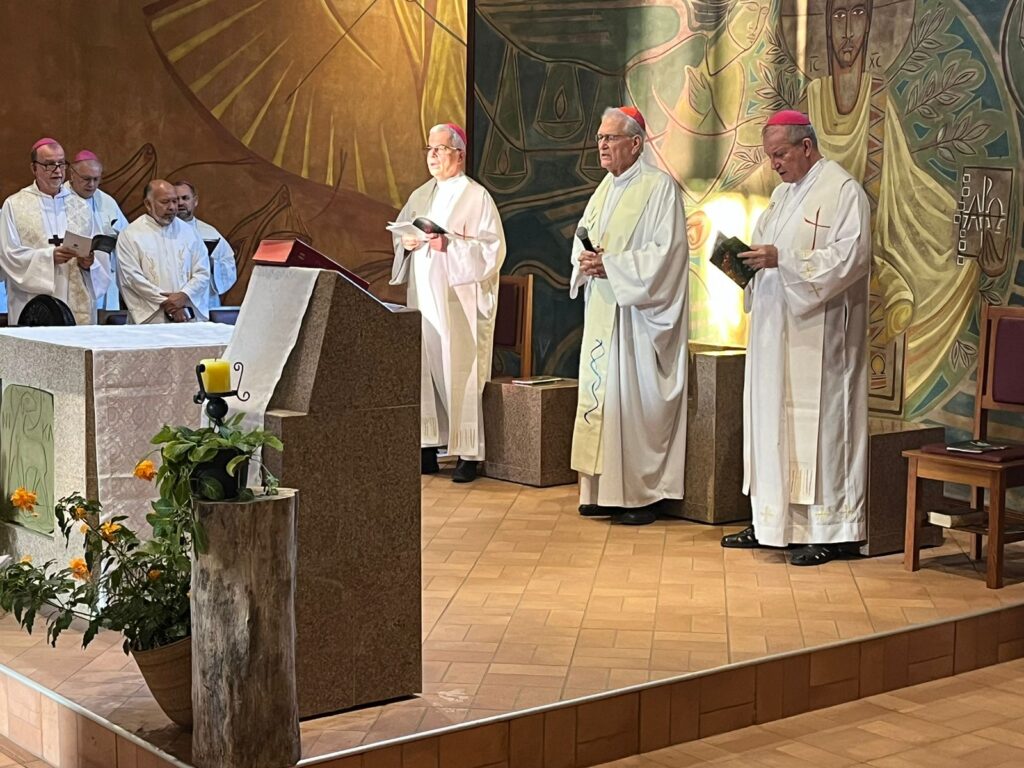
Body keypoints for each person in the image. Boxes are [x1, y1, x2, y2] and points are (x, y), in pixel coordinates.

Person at [720, 110, 871, 565]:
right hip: (773, 331)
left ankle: (830, 530)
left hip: (820, 338)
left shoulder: (843, 191)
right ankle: (772, 521)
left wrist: (782, 259)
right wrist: (744, 267)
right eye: (770, 157)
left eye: (780, 154)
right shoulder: (782, 196)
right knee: (771, 424)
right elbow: (767, 256)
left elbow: (851, 257)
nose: (775, 165)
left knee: (819, 429)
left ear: (807, 146)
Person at [569, 106, 689, 526]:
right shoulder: (604, 188)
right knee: (603, 397)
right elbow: (584, 236)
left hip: (638, 319)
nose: (602, 145)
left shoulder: (659, 189)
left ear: (635, 144)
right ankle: (602, 490)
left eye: (611, 138)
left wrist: (614, 267)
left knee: (633, 404)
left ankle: (639, 495)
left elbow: (667, 254)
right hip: (605, 309)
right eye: (600, 138)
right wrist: (584, 260)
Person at [390, 123, 506, 483]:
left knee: (459, 369)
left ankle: (468, 453)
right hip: (424, 295)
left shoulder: (477, 196)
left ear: (459, 154)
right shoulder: (421, 194)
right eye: (429, 149)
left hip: (459, 300)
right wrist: (406, 243)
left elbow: (492, 250)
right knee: (424, 366)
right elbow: (403, 232)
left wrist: (449, 245)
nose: (433, 156)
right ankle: (428, 445)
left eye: (440, 149)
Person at [0, 138, 110, 325]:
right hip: (32, 301)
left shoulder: (81, 206)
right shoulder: (14, 204)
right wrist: (49, 257)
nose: (58, 171)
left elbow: (98, 253)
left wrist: (89, 263)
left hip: (75, 300)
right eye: (49, 165)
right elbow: (7, 255)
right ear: (34, 168)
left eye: (61, 164)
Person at [116, 179, 210, 324]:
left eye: (174, 201)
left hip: (187, 315)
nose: (173, 207)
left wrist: (184, 295)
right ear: (148, 204)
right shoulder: (131, 234)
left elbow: (202, 272)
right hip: (152, 320)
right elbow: (132, 278)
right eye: (165, 202)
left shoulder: (189, 232)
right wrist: (169, 304)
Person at [66, 150, 129, 311]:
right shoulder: (60, 199)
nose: (92, 184)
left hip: (105, 276)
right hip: (73, 277)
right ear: (72, 174)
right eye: (86, 179)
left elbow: (127, 237)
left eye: (96, 179)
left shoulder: (107, 202)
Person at [173, 180, 237, 307]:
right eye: (175, 199)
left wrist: (213, 264)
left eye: (185, 198)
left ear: (195, 201)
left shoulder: (209, 233)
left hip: (203, 299)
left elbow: (228, 264)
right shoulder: (161, 233)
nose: (180, 203)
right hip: (173, 298)